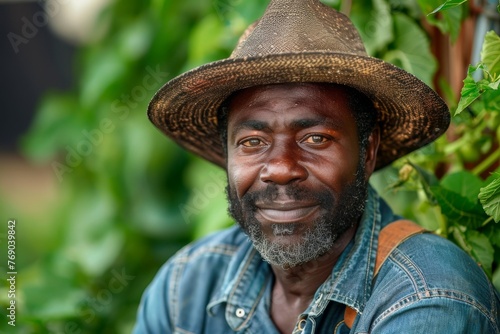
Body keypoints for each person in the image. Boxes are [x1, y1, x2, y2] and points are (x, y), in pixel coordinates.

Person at [133, 0, 500, 333]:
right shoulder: (186, 287)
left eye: (316, 139)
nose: (279, 168)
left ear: (367, 152)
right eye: (252, 142)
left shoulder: (430, 297)